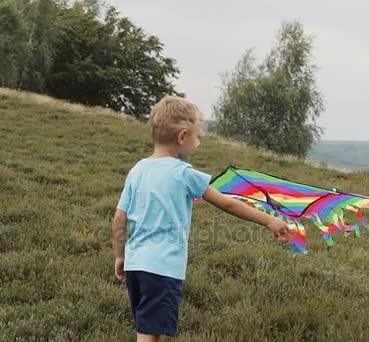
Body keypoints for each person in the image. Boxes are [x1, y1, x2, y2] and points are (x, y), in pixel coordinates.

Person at [112, 96, 290, 341]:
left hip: (136, 266)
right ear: (182, 137)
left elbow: (120, 217)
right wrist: (269, 220)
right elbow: (227, 203)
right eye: (198, 137)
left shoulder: (137, 170)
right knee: (148, 335)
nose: (199, 143)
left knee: (146, 327)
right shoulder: (184, 173)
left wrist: (120, 255)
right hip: (162, 269)